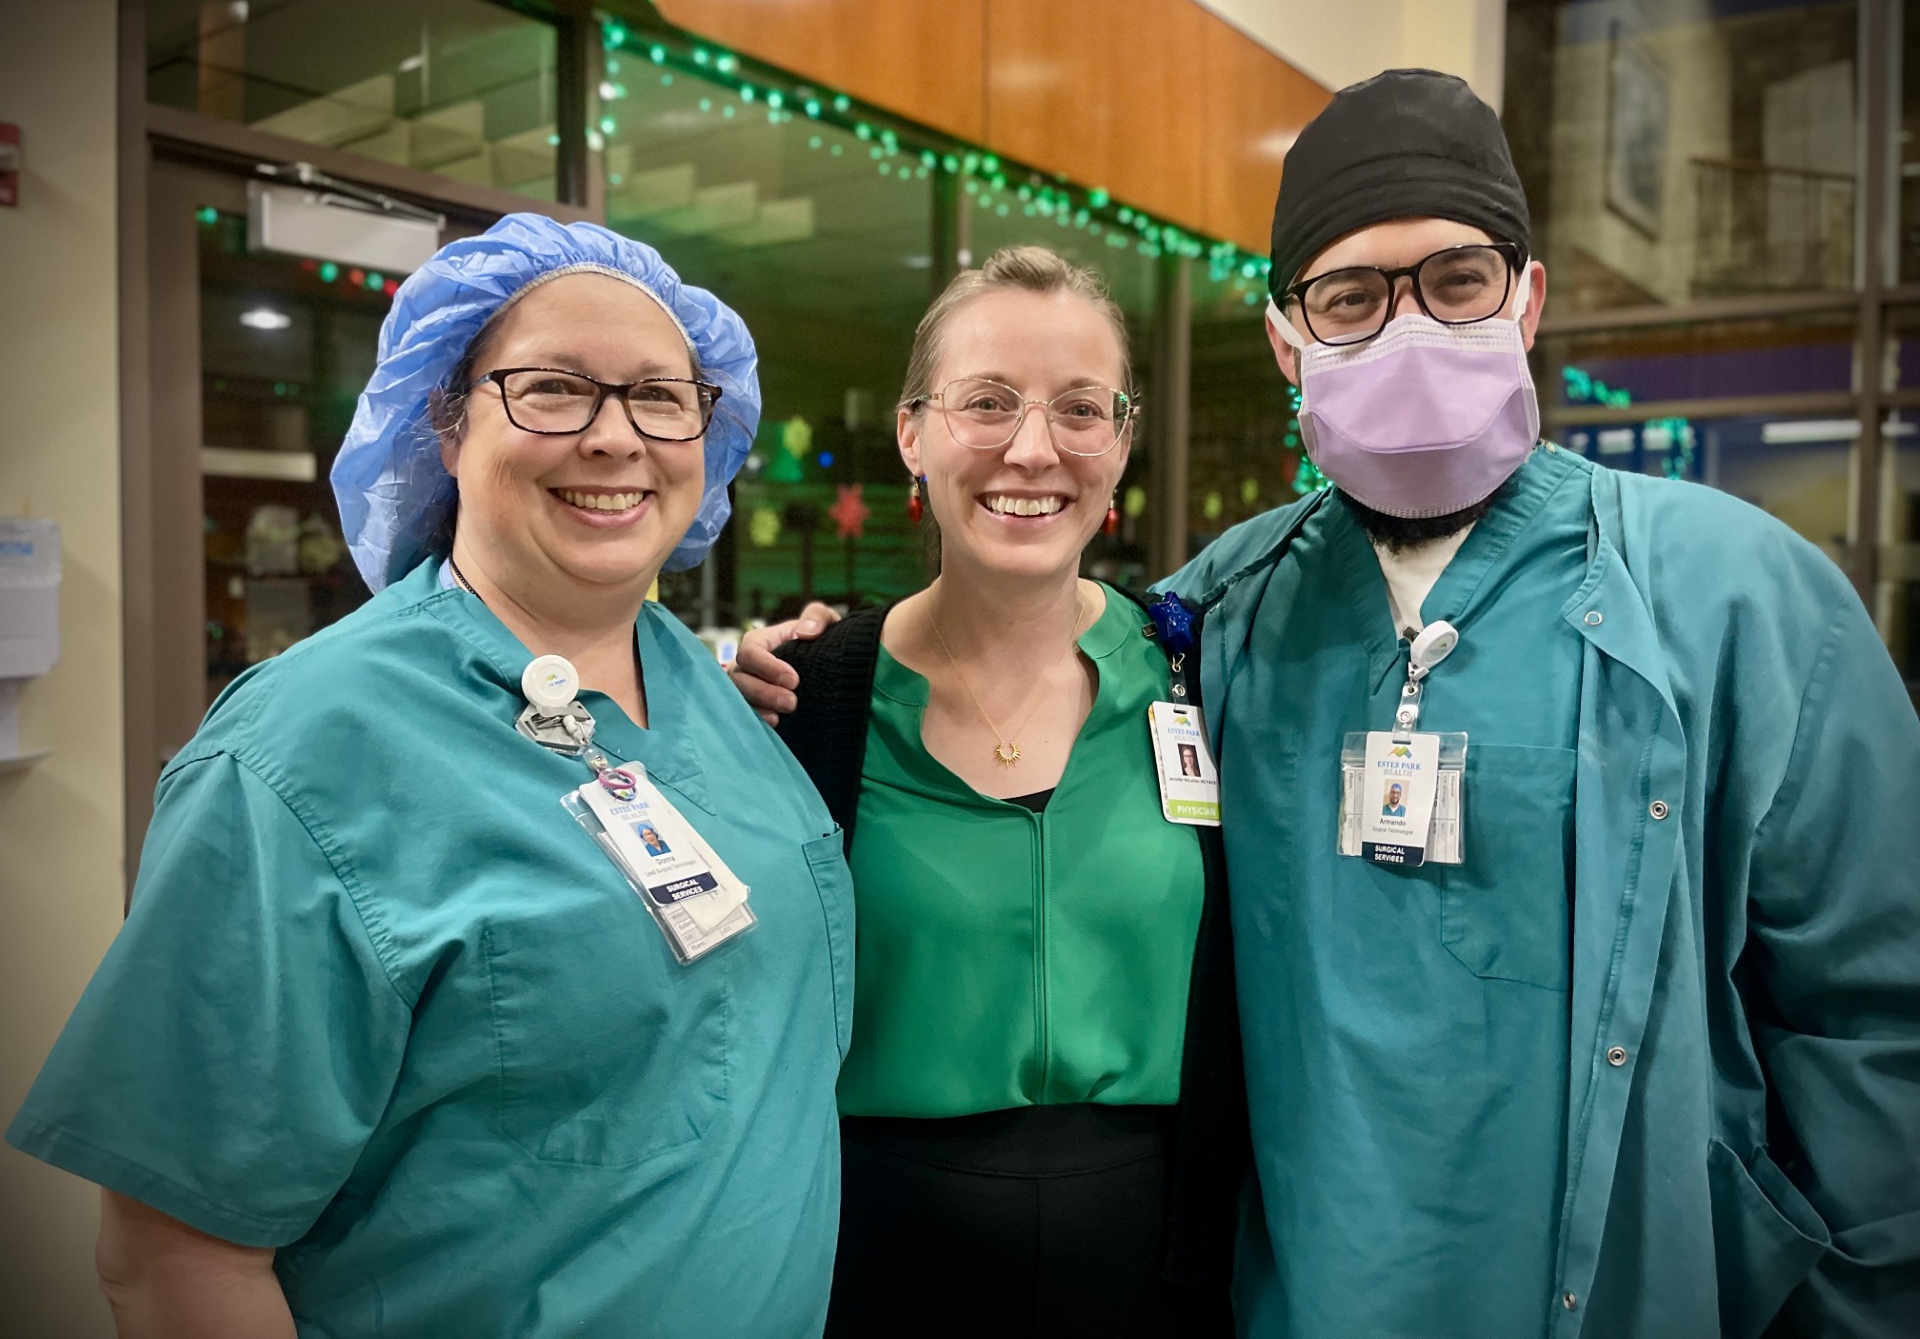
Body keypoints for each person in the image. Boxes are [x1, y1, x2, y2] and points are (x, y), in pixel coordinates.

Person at [735, 71, 1920, 1337]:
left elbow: (1874, 1012)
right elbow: (1029, 632)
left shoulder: (1735, 599)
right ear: (1289, 341)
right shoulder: (1217, 620)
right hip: (1291, 1294)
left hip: (1632, 1289)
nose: (1406, 328)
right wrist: (814, 666)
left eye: (1453, 281)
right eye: (1350, 297)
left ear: (1526, 300)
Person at [7, 216, 854, 1338]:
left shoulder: (716, 699)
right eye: (552, 388)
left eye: (662, 394)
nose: (616, 439)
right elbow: (174, 1260)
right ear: (443, 426)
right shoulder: (300, 758)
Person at [765, 246, 1245, 1336]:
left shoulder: (1206, 678)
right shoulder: (810, 705)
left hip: (1162, 1266)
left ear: (1121, 441)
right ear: (912, 435)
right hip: (872, 1261)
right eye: (986, 403)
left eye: (1081, 409)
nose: (1034, 449)